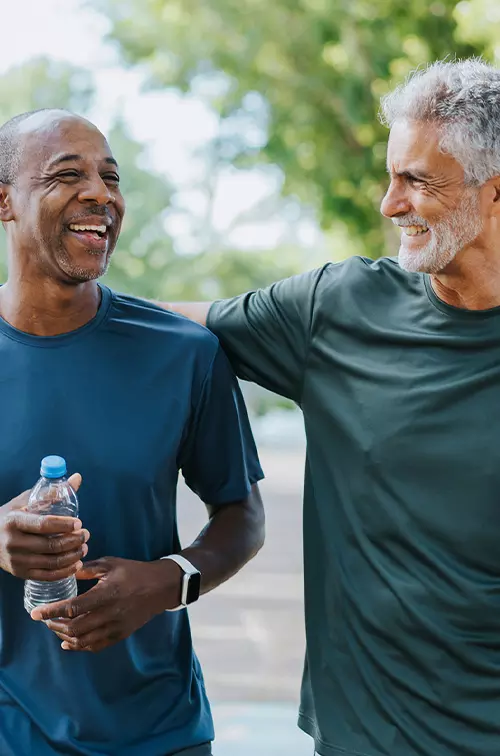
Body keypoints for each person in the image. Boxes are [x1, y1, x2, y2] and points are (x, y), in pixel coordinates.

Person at [158, 59, 500, 756]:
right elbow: (158, 329)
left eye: (416, 180)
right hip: (361, 740)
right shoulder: (338, 309)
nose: (388, 203)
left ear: (493, 195)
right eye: (390, 174)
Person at [0, 108, 265, 756]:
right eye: (68, 174)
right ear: (5, 201)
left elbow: (243, 514)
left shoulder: (184, 353)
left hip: (161, 732)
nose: (100, 194)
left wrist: (168, 581)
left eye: (110, 178)